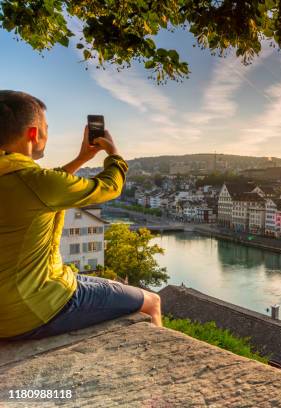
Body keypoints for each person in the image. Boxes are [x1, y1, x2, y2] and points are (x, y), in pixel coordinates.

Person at [0, 90, 161, 341]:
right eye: (46, 128)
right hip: (31, 309)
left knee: (113, 286)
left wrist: (82, 158)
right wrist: (114, 155)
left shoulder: (16, 177)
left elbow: (43, 189)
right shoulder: (37, 183)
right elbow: (110, 187)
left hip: (17, 299)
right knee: (151, 301)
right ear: (33, 133)